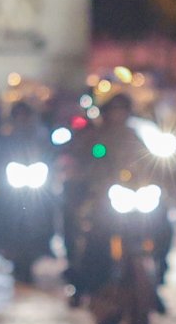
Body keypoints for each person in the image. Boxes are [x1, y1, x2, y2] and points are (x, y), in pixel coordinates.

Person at [62, 77, 167, 307]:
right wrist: (81, 174)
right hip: (102, 198)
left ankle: (155, 282)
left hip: (133, 197)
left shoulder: (135, 136)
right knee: (92, 235)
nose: (118, 114)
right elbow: (78, 161)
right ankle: (82, 285)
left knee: (163, 224)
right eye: (113, 109)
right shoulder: (92, 137)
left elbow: (152, 163)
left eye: (122, 109)